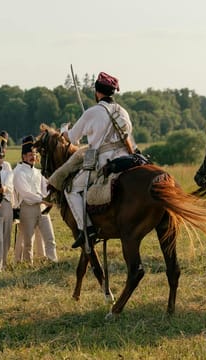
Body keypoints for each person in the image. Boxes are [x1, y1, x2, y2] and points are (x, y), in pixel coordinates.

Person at [60, 71, 134, 248]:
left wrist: (64, 130)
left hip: (104, 161)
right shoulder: (122, 111)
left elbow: (72, 138)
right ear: (112, 92)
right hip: (125, 159)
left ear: (97, 92)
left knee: (70, 189)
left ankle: (87, 229)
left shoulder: (92, 112)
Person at [13, 135, 58, 263]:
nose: (32, 156)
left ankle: (52, 261)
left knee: (50, 237)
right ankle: (28, 264)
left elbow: (45, 188)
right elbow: (26, 193)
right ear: (23, 157)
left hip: (42, 207)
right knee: (28, 241)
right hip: (27, 208)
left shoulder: (38, 172)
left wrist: (50, 193)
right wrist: (42, 200)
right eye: (29, 154)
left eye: (34, 154)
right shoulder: (18, 172)